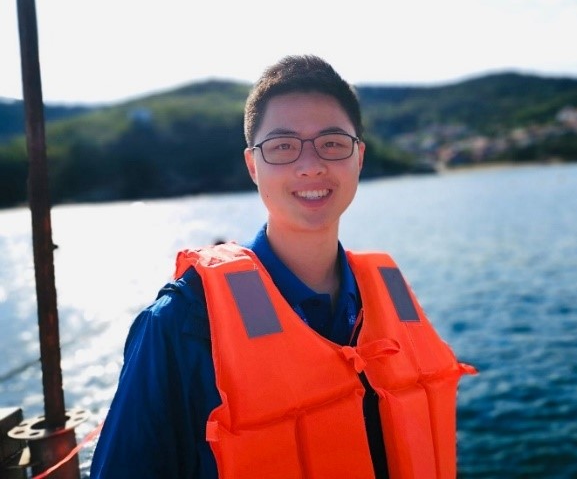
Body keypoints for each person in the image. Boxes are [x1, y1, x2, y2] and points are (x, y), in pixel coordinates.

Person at [90, 55, 476, 478]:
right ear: (252, 166)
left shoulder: (391, 295)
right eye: (283, 147)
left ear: (359, 157)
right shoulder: (184, 322)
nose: (310, 166)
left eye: (332, 143)